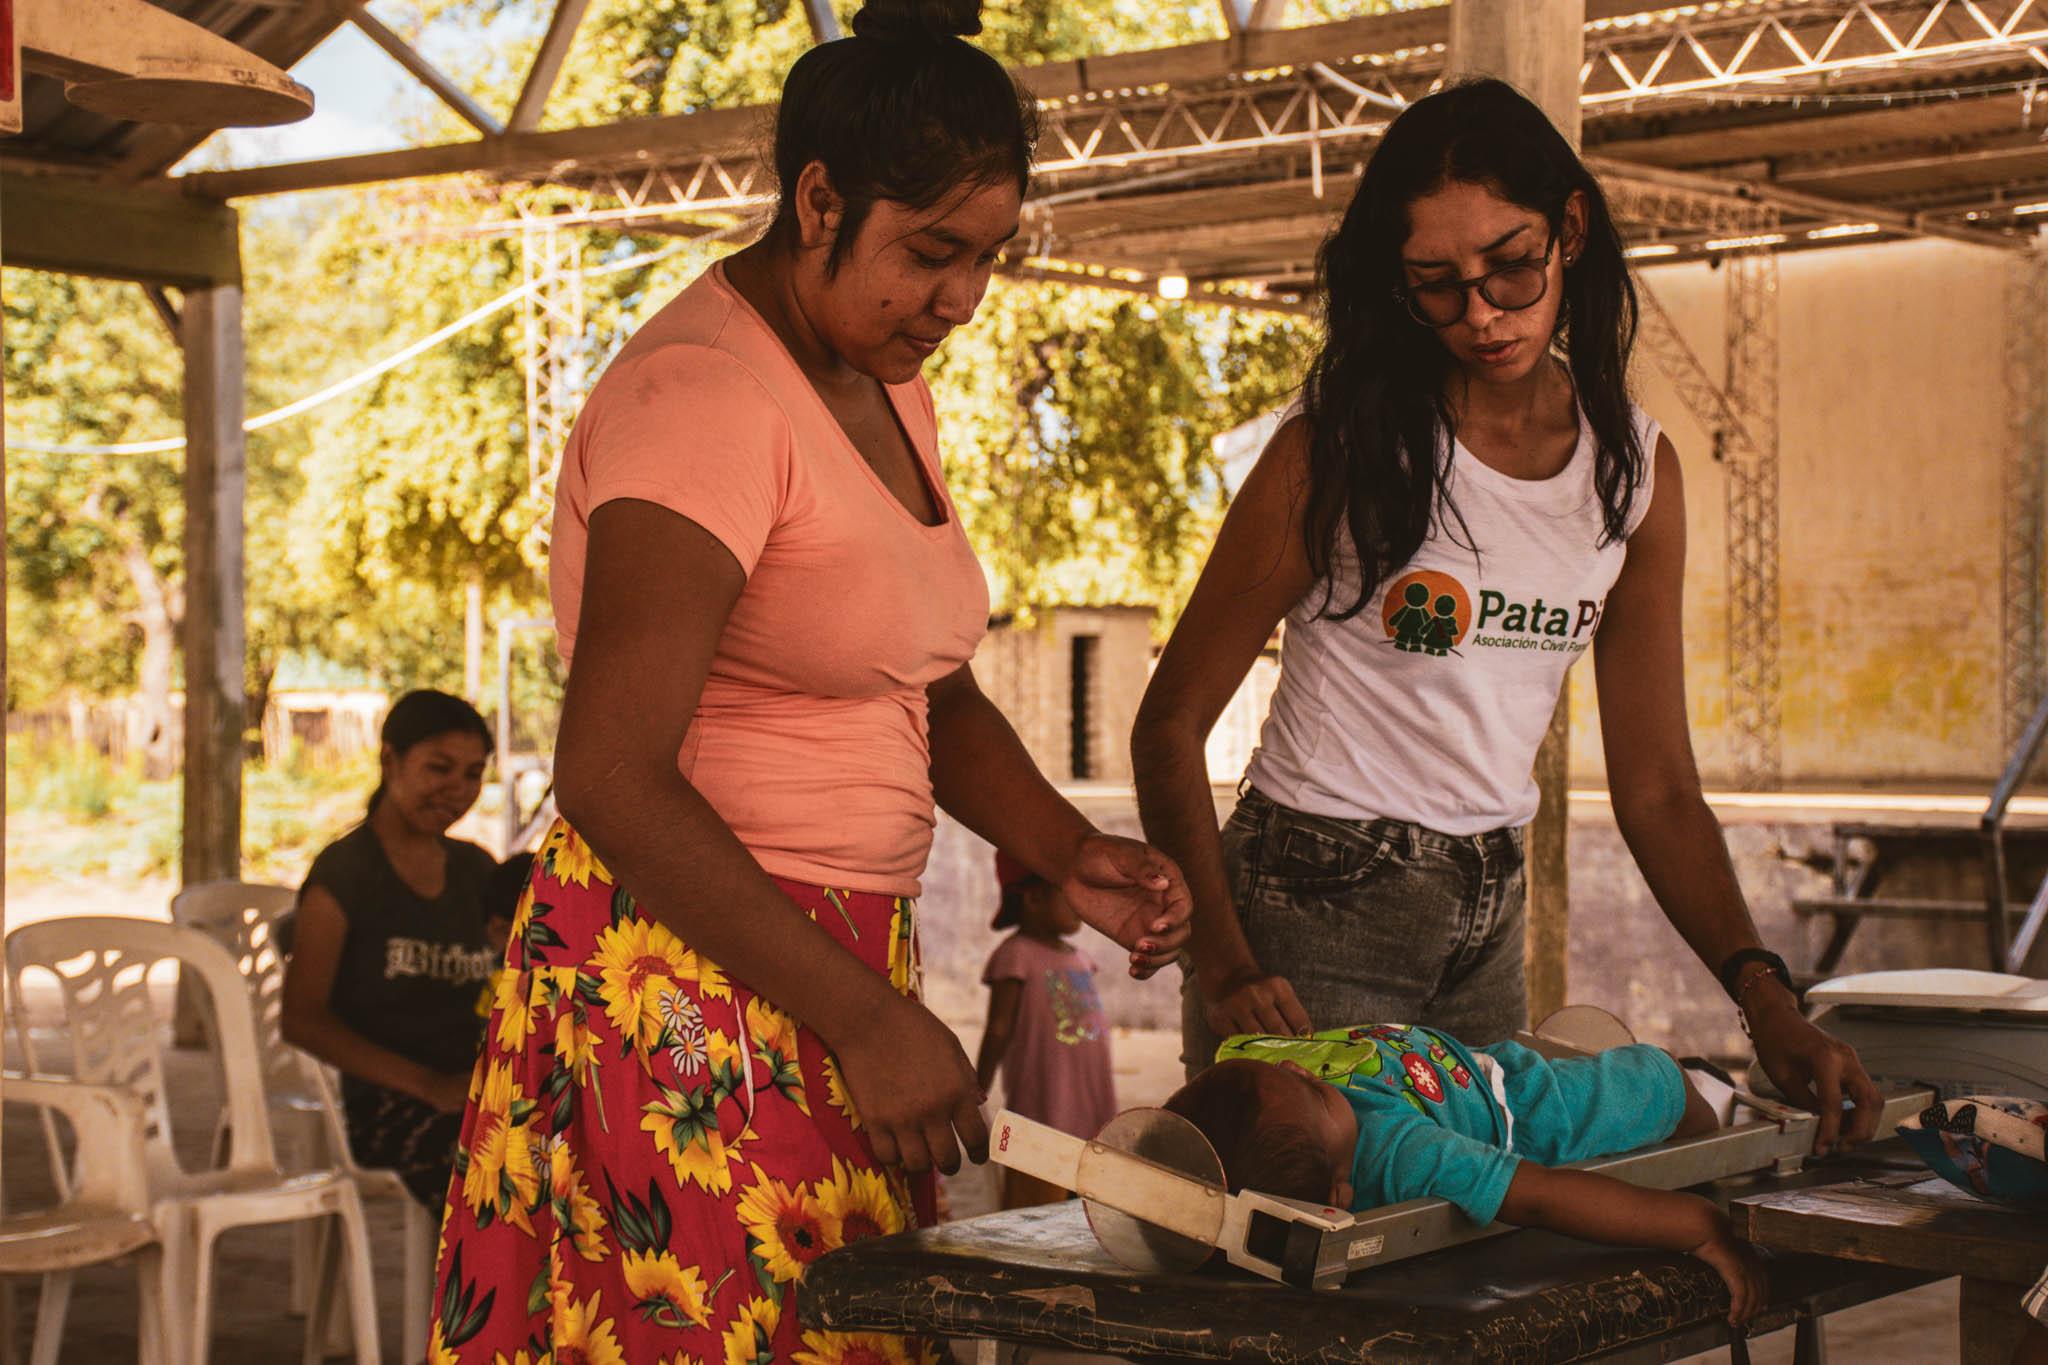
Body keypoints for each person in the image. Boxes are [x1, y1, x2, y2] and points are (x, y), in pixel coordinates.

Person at [428, 3, 1193, 1359]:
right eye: (929, 253)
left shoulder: (884, 378)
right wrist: (859, 1014)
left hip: (830, 962)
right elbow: (609, 769)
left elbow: (927, 686)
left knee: (840, 1328)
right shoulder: (703, 398)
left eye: (987, 259)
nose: (960, 299)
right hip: (683, 973)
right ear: (818, 199)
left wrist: (1063, 850)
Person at [1130, 78, 1881, 1152]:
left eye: (1508, 268)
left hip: (1489, 906)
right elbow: (1166, 728)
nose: (1479, 314)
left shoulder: (1633, 471)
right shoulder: (1341, 448)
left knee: (1463, 1257)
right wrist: (1225, 962)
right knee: (1330, 1260)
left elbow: (1659, 789)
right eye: (1434, 285)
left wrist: (1765, 1002)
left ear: (1569, 229)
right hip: (1312, 910)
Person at [1165, 1025, 1767, 1326]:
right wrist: (1700, 1227)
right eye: (1318, 1095)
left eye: (1296, 1073)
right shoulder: (1405, 1153)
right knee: (1642, 1084)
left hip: (1466, 1063)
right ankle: (1710, 1098)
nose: (1305, 1070)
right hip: (1519, 1106)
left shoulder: (1278, 1105)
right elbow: (1541, 1199)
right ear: (1337, 1198)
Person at [281, 689, 499, 1206]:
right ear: (389, 759)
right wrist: (429, 1085)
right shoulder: (347, 874)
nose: (456, 789)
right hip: (386, 1108)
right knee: (500, 1172)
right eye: (439, 767)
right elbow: (301, 1019)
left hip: (477, 1095)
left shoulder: (477, 870)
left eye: (472, 774)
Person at [976, 849, 1118, 1208]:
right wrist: (976, 1086)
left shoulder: (1081, 959)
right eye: (1068, 895)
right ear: (1034, 897)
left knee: (1083, 1208)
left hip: (1089, 1108)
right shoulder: (1016, 955)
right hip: (1043, 1111)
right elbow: (998, 1028)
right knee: (1033, 1216)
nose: (1080, 904)